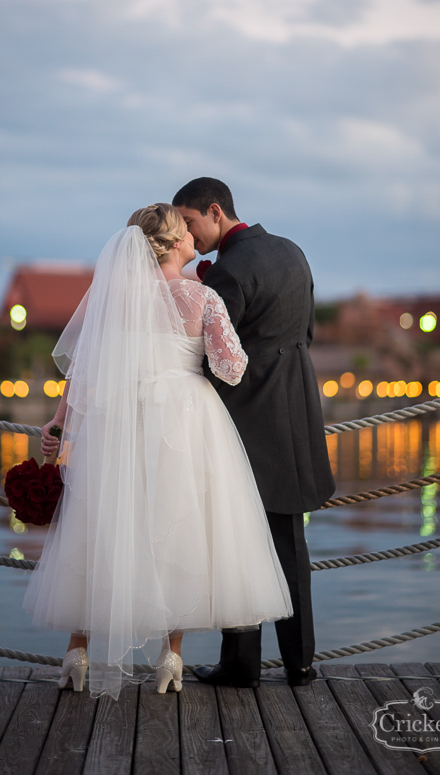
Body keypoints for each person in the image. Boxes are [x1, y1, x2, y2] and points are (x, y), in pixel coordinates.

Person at [25, 204, 291, 699]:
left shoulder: (115, 300)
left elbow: (81, 375)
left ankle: (77, 652)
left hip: (119, 419)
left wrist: (58, 426)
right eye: (184, 230)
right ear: (171, 245)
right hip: (186, 417)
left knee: (103, 523)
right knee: (178, 525)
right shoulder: (201, 297)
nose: (193, 235)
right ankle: (171, 657)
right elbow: (232, 368)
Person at [173, 177, 335, 688]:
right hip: (298, 407)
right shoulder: (293, 252)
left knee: (238, 541)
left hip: (246, 417)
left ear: (215, 211)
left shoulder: (229, 272)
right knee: (290, 543)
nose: (188, 233)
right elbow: (305, 332)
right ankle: (301, 664)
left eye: (191, 222)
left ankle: (241, 665)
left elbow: (214, 358)